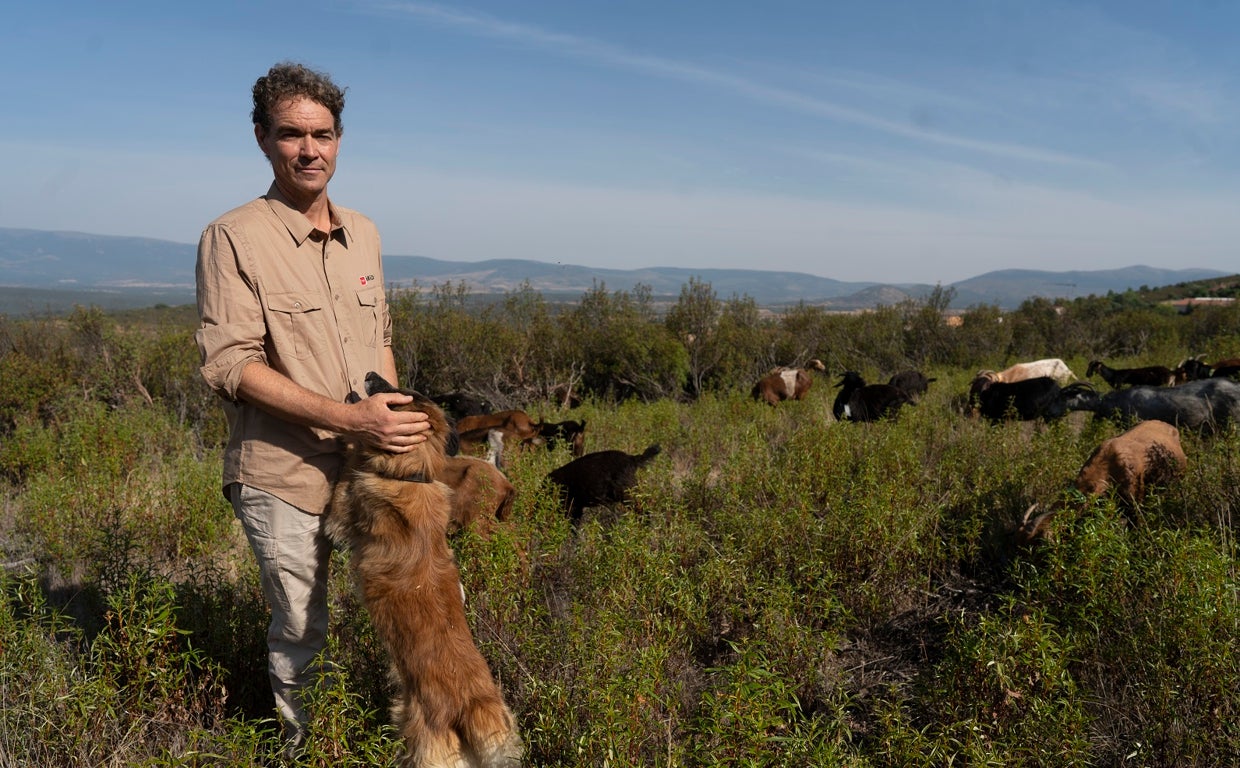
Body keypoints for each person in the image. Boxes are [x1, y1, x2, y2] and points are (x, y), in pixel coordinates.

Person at [194, 61, 431, 747]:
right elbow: (230, 366)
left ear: (339, 138)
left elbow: (379, 341)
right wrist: (349, 417)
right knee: (301, 627)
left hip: (370, 464)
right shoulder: (233, 237)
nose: (309, 149)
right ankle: (312, 751)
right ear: (263, 138)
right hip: (282, 472)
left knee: (420, 604)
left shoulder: (365, 232)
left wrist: (394, 427)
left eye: (322, 134)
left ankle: (420, 741)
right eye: (292, 134)